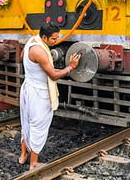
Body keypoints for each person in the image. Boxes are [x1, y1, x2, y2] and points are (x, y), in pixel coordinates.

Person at [18, 22, 82, 170]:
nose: (56, 41)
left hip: (28, 87)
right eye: (53, 39)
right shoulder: (39, 51)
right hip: (38, 92)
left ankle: (23, 156)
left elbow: (22, 56)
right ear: (44, 37)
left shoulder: (31, 41)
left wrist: (34, 69)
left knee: (26, 122)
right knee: (39, 126)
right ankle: (33, 163)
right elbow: (53, 75)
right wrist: (71, 66)